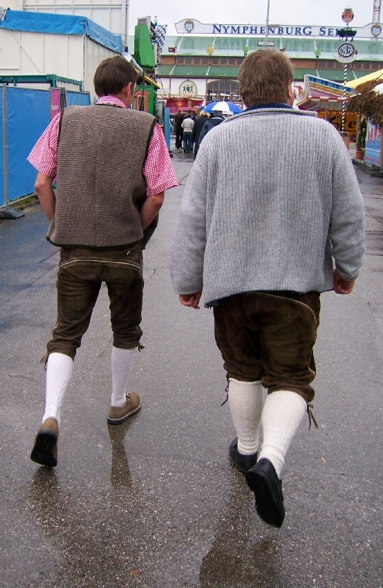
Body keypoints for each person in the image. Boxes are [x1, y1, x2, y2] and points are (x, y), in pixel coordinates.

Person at [170, 50, 364, 528]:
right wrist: (347, 265)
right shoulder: (323, 136)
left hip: (232, 287)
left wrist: (187, 280)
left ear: (242, 89)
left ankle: (248, 450)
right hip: (295, 289)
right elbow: (348, 212)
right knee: (292, 379)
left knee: (242, 370)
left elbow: (194, 219)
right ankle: (270, 462)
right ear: (290, 87)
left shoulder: (218, 141)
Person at [27, 55, 178, 467]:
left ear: (97, 88)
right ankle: (116, 402)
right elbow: (159, 193)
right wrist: (135, 230)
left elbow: (42, 180)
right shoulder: (146, 127)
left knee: (65, 334)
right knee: (125, 327)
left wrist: (61, 221)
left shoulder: (66, 121)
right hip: (124, 250)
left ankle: (50, 416)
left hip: (74, 247)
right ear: (130, 90)